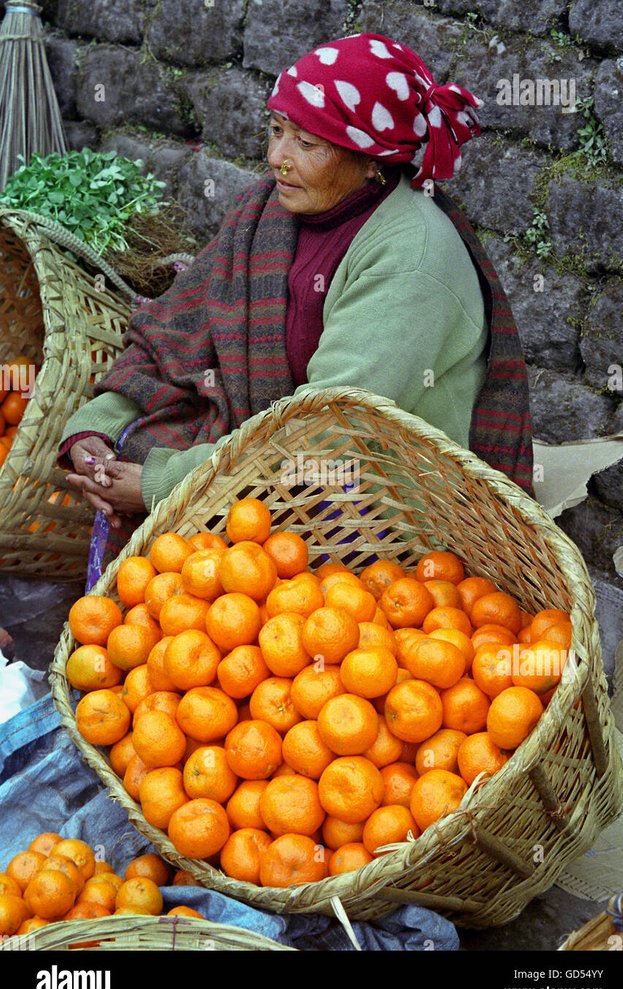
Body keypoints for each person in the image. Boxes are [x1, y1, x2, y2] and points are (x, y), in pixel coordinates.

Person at [59, 32, 533, 584]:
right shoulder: (266, 213)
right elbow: (176, 333)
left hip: (376, 501)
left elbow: (323, 433)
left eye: (308, 145)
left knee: (254, 596)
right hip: (268, 451)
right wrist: (98, 432)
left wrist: (159, 483)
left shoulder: (412, 259)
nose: (277, 159)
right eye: (276, 130)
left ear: (371, 160)